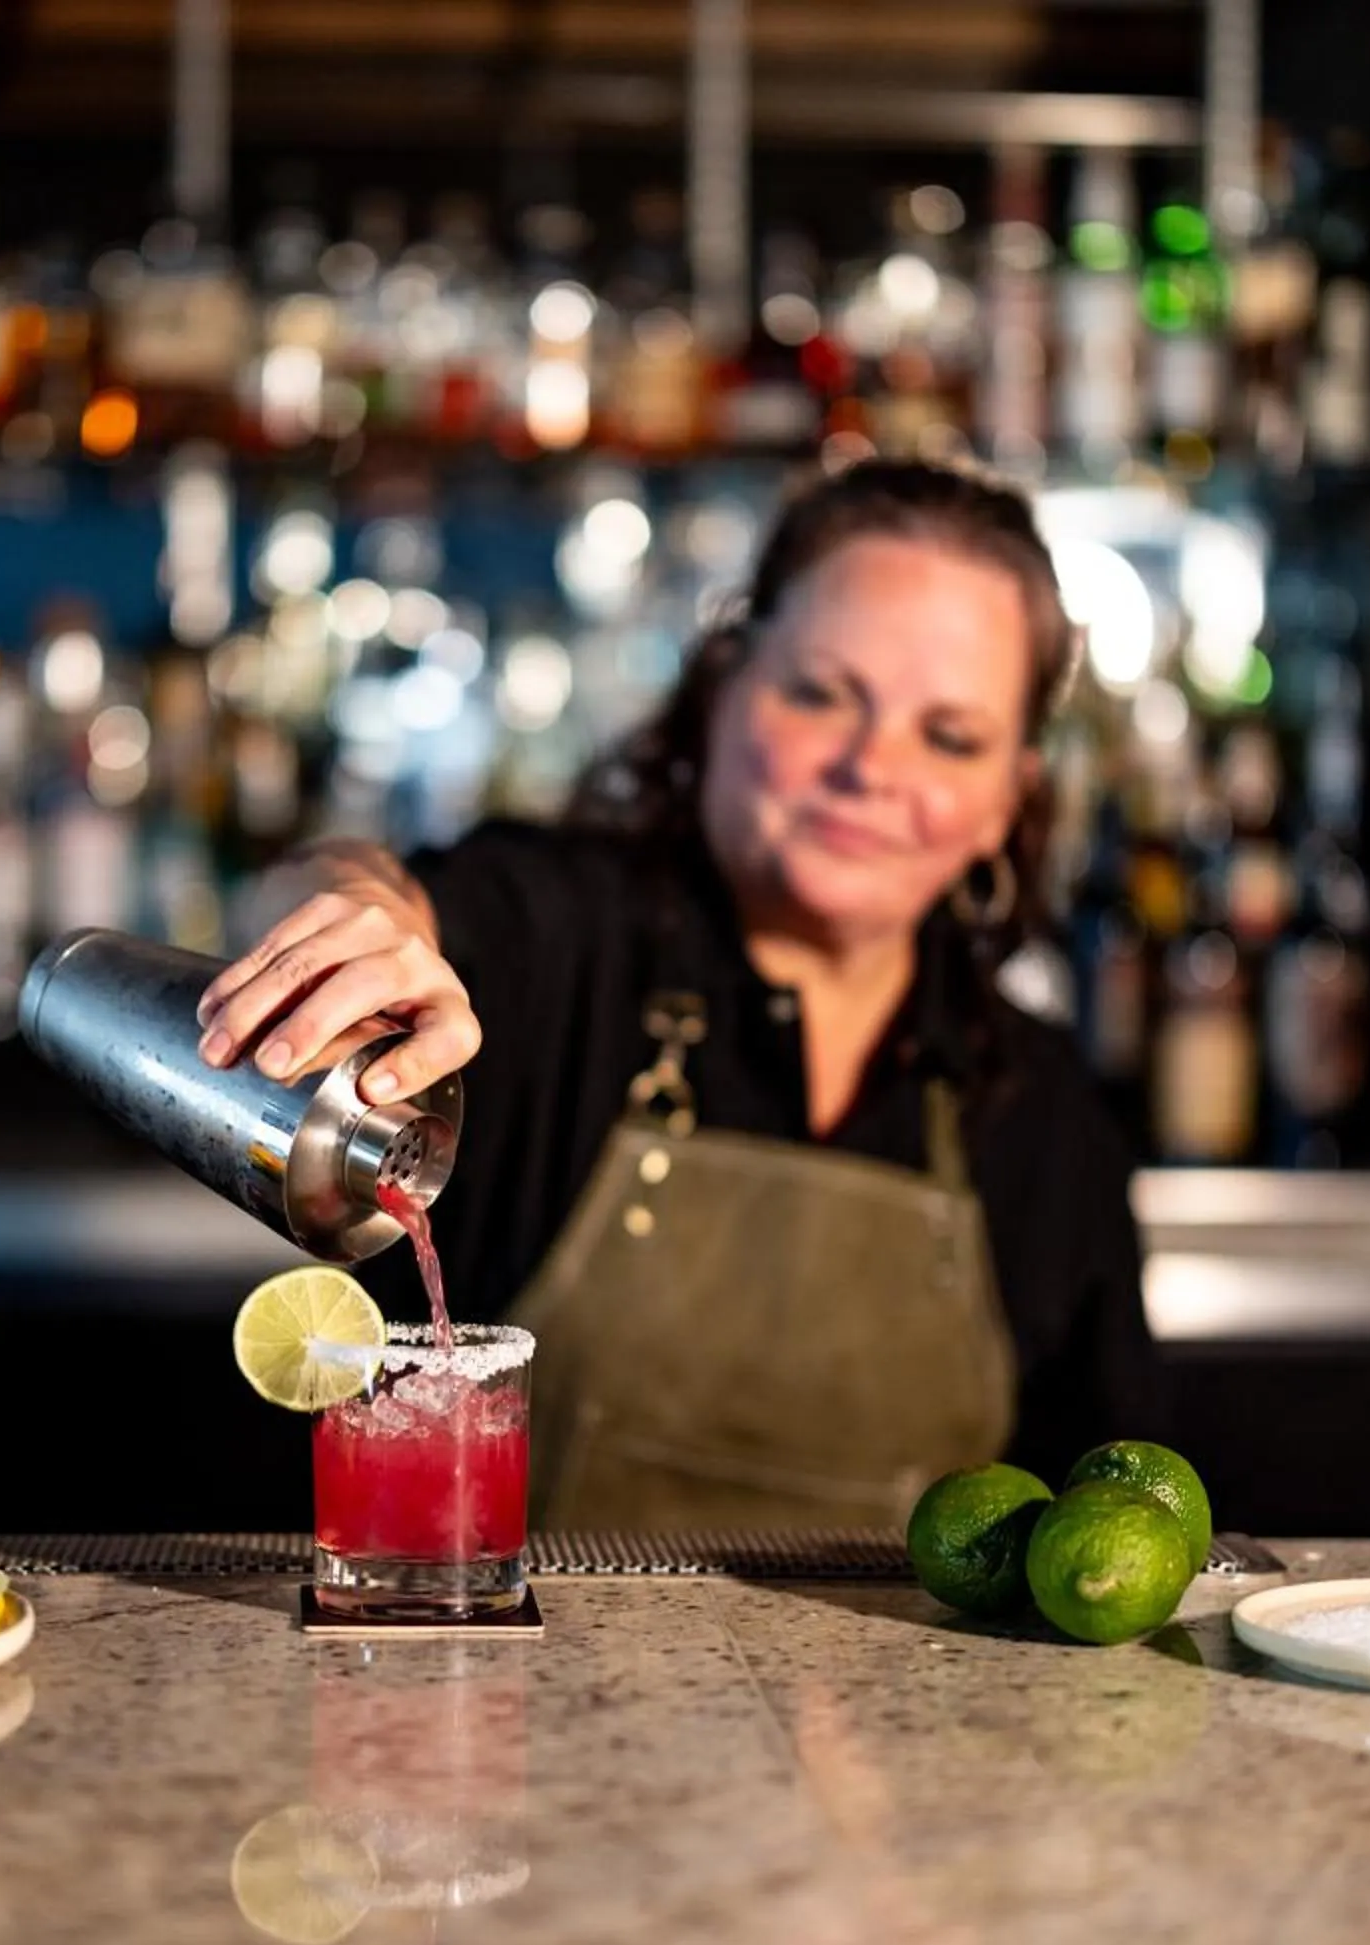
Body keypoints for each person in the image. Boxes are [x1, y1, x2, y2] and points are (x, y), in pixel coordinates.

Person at [196, 459, 1157, 1529]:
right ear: (723, 688)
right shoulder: (558, 944)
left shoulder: (1043, 1113)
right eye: (821, 693)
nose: (870, 767)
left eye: (950, 736)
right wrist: (344, 918)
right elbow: (362, 883)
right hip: (510, 1689)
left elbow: (1107, 1524)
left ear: (1007, 800)